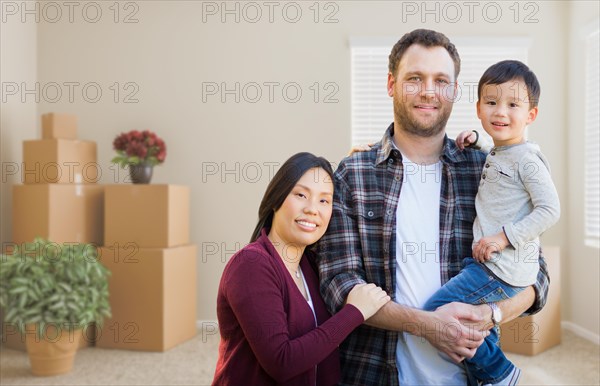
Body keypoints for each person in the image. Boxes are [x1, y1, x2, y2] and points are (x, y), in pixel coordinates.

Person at [316, 29, 550, 386]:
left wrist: (493, 313)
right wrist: (428, 326)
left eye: (441, 80)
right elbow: (338, 283)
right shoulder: (354, 174)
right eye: (415, 79)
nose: (428, 91)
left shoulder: (484, 168)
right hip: (374, 373)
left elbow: (537, 273)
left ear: (455, 91)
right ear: (391, 84)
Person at [420, 60, 560, 385]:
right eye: (492, 102)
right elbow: (500, 165)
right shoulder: (501, 151)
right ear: (479, 108)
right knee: (478, 325)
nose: (501, 112)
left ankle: (500, 372)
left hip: (500, 266)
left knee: (436, 310)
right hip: (490, 262)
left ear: (531, 115)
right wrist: (477, 142)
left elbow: (549, 210)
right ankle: (485, 379)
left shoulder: (529, 160)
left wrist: (503, 238)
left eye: (513, 104)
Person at [212, 152, 390, 386]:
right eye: (301, 195)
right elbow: (282, 362)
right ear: (276, 198)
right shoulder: (251, 265)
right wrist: (354, 312)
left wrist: (366, 158)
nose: (312, 209)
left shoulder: (311, 265)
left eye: (324, 200)